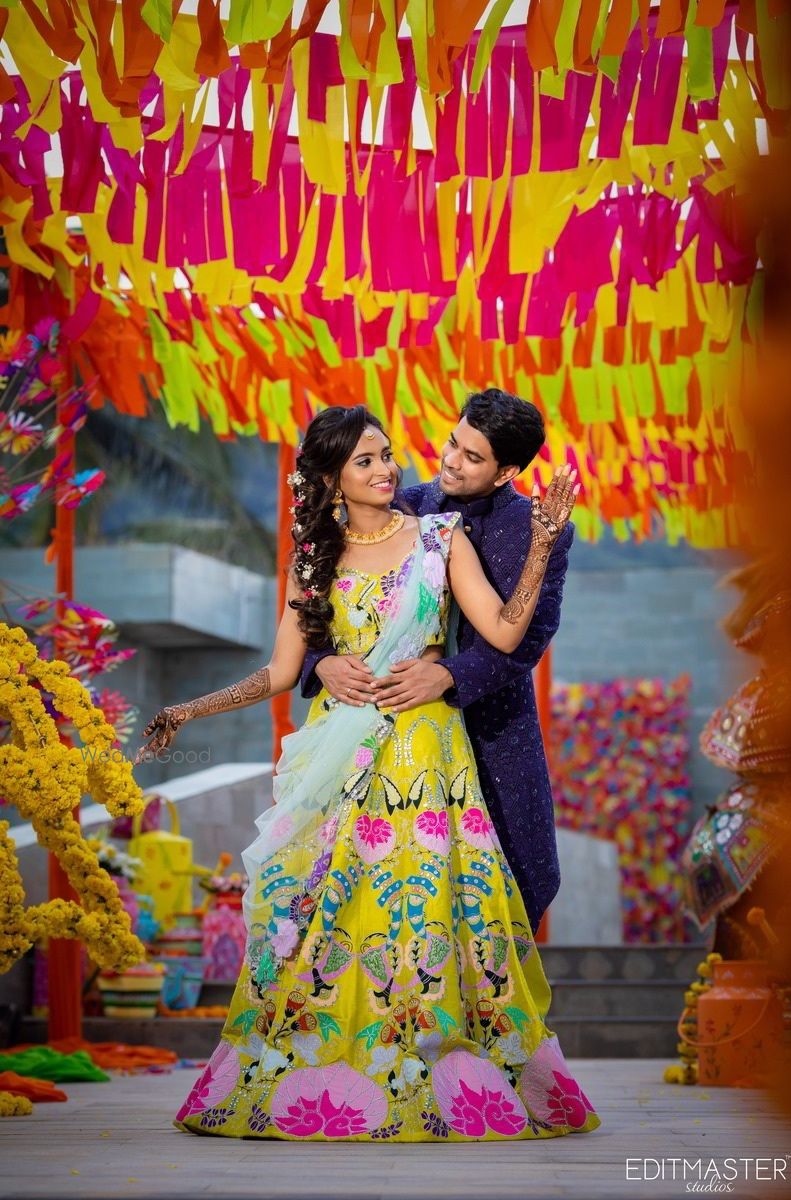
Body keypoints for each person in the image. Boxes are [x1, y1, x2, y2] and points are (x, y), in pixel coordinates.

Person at [135, 405, 599, 1143]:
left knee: (433, 918)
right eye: (368, 461)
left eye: (387, 455)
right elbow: (282, 672)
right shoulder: (315, 557)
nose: (392, 469)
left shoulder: (441, 536)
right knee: (318, 913)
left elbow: (509, 633)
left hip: (430, 763)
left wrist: (541, 542)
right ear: (332, 479)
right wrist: (189, 710)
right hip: (343, 762)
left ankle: (435, 1068)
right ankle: (322, 1067)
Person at [300, 388, 572, 934]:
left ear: (506, 472)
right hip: (388, 735)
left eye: (472, 457)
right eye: (453, 442)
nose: (450, 460)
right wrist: (321, 662)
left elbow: (530, 635)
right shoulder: (405, 505)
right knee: (381, 892)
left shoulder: (538, 530)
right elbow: (330, 593)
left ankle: (490, 1015)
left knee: (515, 885)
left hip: (493, 730)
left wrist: (448, 675)